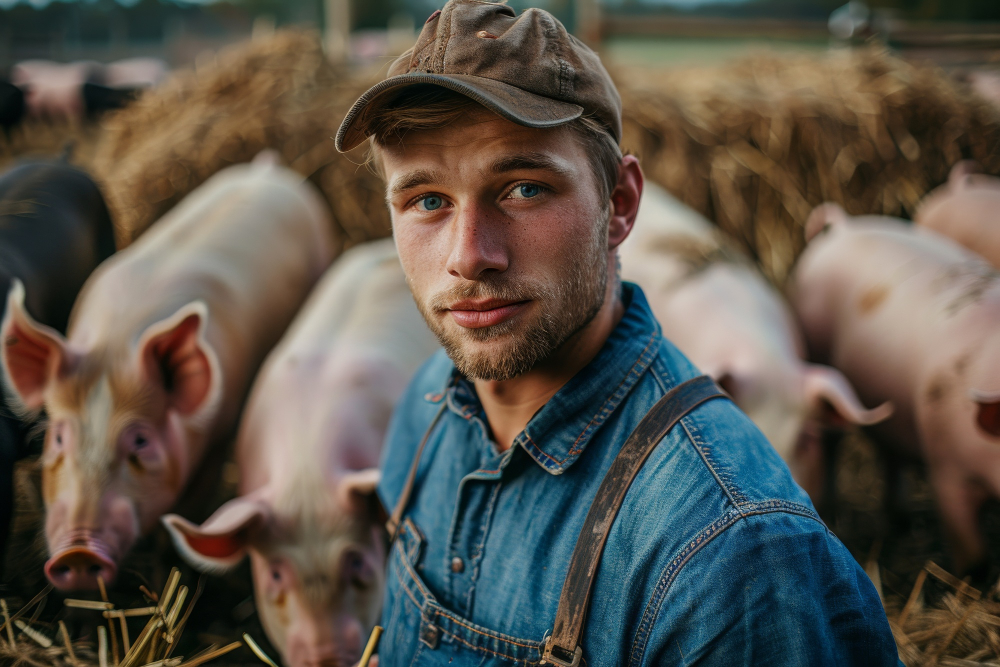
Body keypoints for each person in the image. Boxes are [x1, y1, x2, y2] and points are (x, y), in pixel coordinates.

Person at [336, 1, 900, 664]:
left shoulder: (731, 556)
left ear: (620, 204)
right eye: (426, 200)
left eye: (523, 188)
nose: (468, 254)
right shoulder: (429, 405)